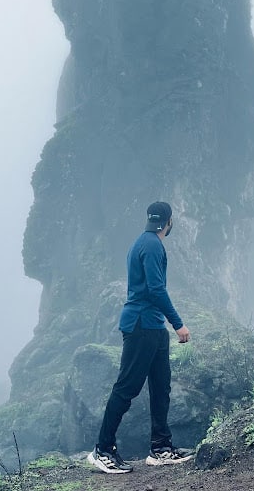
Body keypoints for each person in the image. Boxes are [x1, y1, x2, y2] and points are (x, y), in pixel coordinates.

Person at [87, 201, 194, 474]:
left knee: (161, 387)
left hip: (153, 327)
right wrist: (178, 324)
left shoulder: (144, 242)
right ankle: (102, 449)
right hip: (141, 326)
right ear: (168, 222)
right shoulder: (151, 245)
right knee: (127, 388)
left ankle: (160, 448)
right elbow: (156, 290)